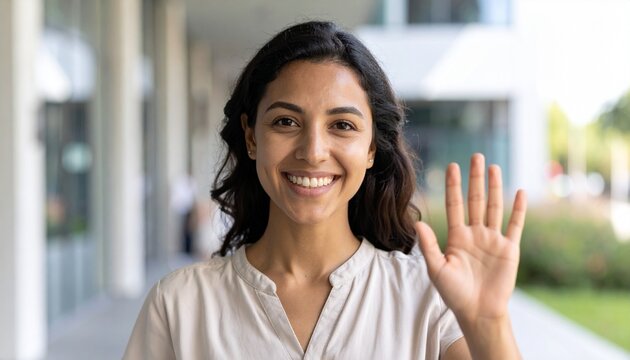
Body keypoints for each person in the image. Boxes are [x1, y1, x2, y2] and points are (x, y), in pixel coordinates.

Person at [124, 21, 527, 359]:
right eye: (285, 122)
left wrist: (489, 323)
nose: (313, 151)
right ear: (251, 137)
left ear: (371, 148)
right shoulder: (179, 306)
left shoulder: (427, 299)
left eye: (342, 125)